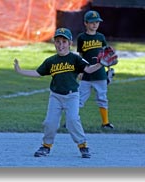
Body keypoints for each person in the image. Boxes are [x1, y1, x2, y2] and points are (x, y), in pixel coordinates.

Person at [13, 28, 103, 158]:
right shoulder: (51, 61)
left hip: (72, 95)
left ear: (70, 43)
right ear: (54, 43)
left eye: (64, 41)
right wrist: (20, 71)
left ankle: (83, 146)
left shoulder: (75, 58)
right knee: (50, 122)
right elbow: (38, 73)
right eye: (58, 41)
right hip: (55, 96)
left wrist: (100, 64)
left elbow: (88, 70)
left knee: (72, 120)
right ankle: (46, 146)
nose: (61, 45)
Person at [77, 10, 115, 129]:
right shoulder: (81, 37)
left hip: (100, 73)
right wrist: (80, 70)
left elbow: (106, 54)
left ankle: (105, 122)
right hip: (87, 73)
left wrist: (109, 69)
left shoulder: (100, 37)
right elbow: (80, 55)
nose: (95, 24)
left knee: (102, 98)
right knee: (79, 99)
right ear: (86, 23)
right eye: (92, 22)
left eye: (97, 22)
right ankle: (70, 121)